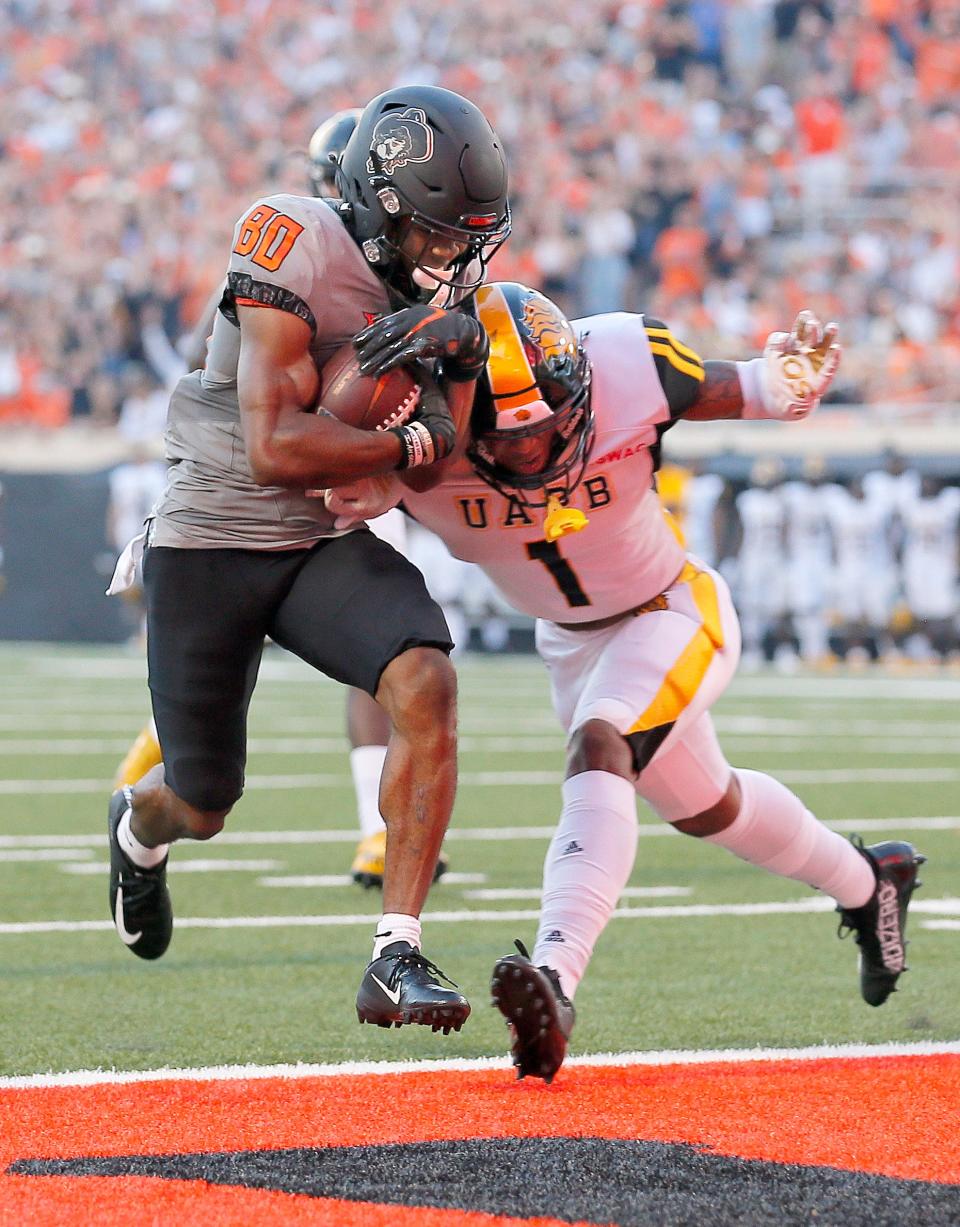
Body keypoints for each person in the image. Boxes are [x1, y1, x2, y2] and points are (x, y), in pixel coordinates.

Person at [328, 282, 926, 1080]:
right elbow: (318, 492)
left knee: (599, 747)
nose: (537, 453)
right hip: (571, 645)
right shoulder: (418, 451)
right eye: (513, 442)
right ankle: (870, 881)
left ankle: (554, 980)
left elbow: (752, 387)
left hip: (673, 606)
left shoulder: (627, 365)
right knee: (711, 806)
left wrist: (790, 382)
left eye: (550, 427)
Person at [106, 85, 510, 1036]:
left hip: (318, 543)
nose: (450, 255)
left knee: (424, 678)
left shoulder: (444, 283)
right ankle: (137, 829)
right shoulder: (288, 237)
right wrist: (400, 453)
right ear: (377, 204)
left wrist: (447, 382)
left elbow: (446, 441)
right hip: (213, 536)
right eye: (434, 233)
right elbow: (276, 449)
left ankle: (396, 949)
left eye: (466, 236)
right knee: (201, 804)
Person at [111, 106, 449, 890]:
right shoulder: (289, 248)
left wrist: (403, 448)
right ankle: (147, 798)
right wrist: (391, 443)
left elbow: (430, 414)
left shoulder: (418, 277)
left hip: (330, 517)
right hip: (232, 510)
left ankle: (380, 852)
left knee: (407, 664)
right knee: (203, 787)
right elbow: (234, 404)